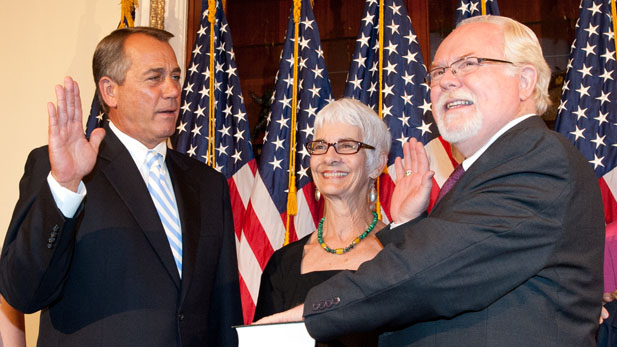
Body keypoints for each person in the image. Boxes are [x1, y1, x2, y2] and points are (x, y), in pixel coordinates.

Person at [256, 15, 604, 346]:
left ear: (525, 81)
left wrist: (309, 314)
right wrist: (408, 222)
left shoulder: (537, 158)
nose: (447, 80)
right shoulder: (492, 168)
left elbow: (434, 273)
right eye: (438, 71)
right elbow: (462, 265)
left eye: (469, 63)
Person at [0, 27, 242, 346]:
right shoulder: (62, 170)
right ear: (110, 91)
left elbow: (224, 312)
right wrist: (64, 188)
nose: (172, 90)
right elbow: (23, 293)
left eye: (175, 76)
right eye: (154, 77)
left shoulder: (208, 183)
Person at [253, 98, 391, 345]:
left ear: (377, 164)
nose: (329, 157)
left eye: (347, 146)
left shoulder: (399, 253)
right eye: (320, 146)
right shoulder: (282, 265)